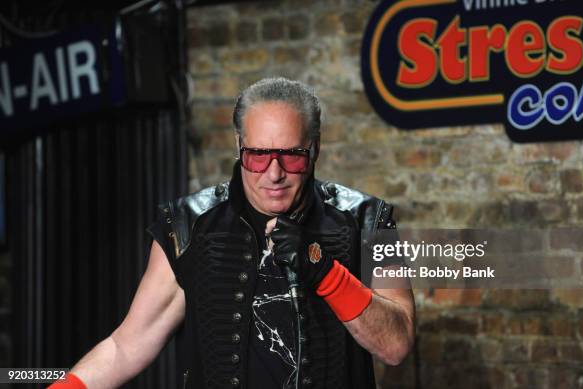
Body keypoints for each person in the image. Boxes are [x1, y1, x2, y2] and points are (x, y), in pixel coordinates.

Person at [49, 77, 415, 389]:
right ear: (239, 147)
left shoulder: (368, 220)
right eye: (258, 155)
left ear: (314, 149)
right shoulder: (188, 226)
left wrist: (325, 271)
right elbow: (126, 346)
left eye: (291, 155)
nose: (274, 174)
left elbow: (396, 346)